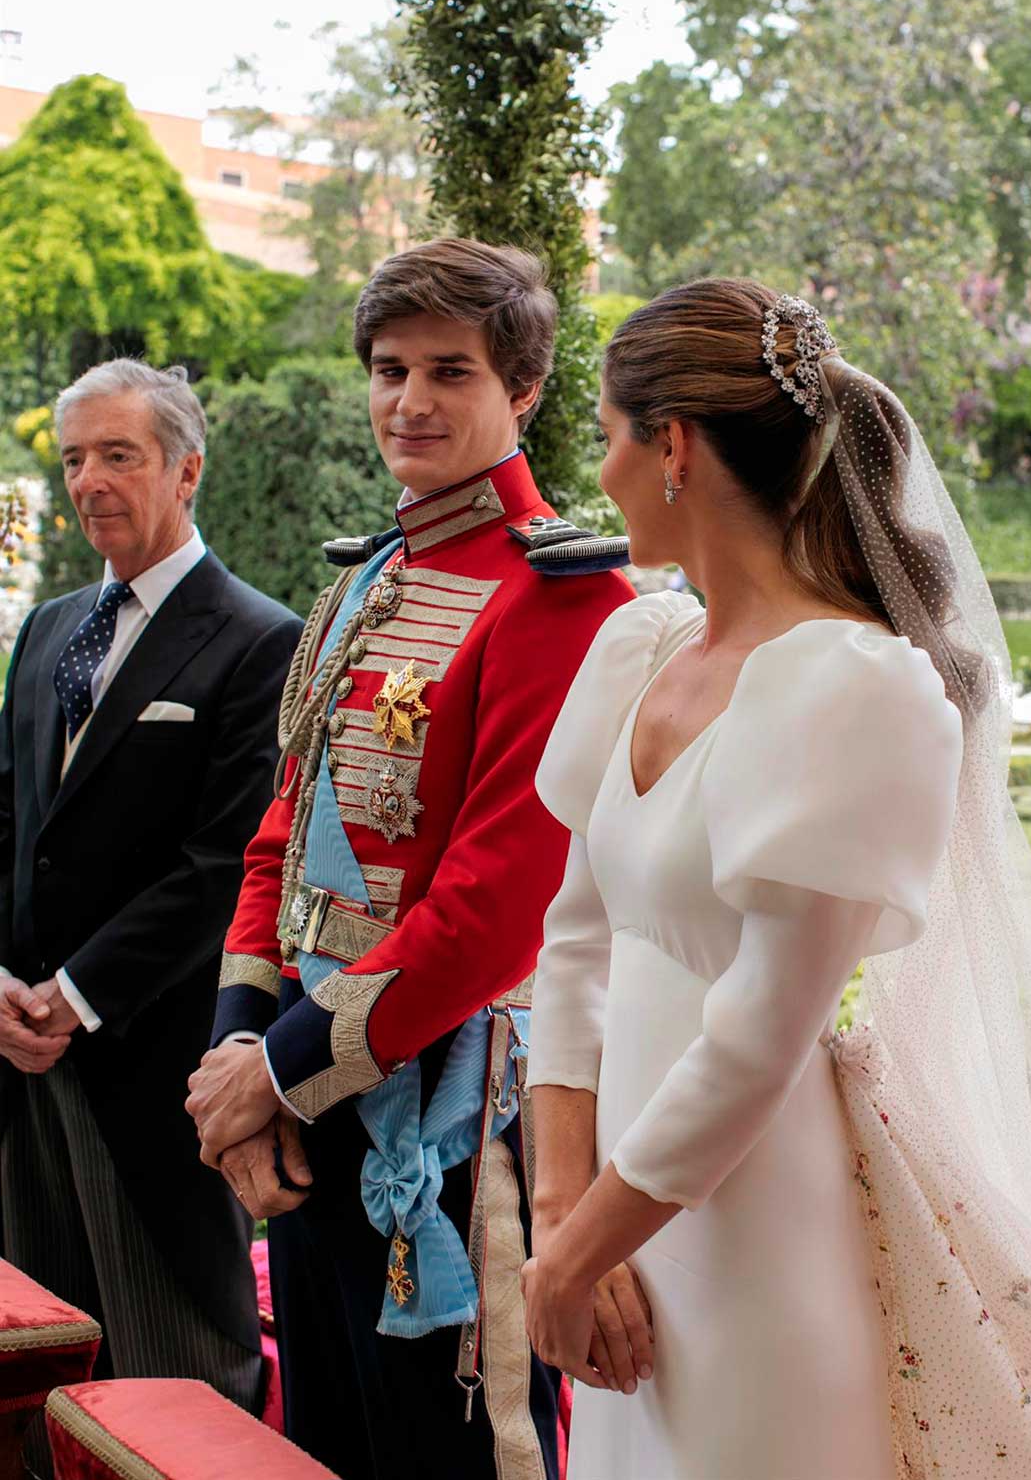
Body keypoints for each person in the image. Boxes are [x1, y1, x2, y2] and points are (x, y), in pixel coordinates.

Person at [522, 280, 1031, 1479]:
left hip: (753, 1221)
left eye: (609, 438)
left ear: (670, 448)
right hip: (613, 1214)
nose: (599, 476)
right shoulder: (640, 646)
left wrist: (580, 1244)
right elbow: (572, 938)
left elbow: (760, 1034)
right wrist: (560, 1213)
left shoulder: (856, 688)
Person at [187, 239, 633, 1480]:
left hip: (449, 1127)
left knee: (455, 1452)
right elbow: (281, 831)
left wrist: (268, 1076)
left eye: (451, 370)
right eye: (389, 369)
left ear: (526, 391)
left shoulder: (563, 602)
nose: (411, 402)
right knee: (328, 1445)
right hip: (303, 1098)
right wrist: (238, 1049)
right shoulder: (362, 583)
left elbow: (494, 909)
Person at [0, 360, 302, 1447]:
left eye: (117, 455)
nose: (89, 481)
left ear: (188, 468)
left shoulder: (263, 638)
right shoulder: (44, 632)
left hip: (153, 1066)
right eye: (74, 458)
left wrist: (75, 997)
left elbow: (223, 862)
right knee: (36, 1366)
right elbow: (8, 825)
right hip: (20, 1064)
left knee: (176, 1381)